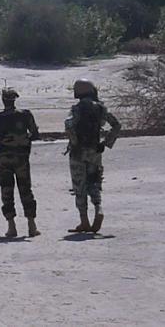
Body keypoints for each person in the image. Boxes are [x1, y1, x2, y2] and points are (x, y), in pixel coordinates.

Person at [65, 79, 121, 233]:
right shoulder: (100, 108)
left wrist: (74, 143)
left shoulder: (76, 109)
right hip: (95, 151)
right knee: (94, 182)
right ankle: (98, 208)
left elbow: (68, 125)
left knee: (79, 186)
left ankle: (84, 222)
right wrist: (106, 143)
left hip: (78, 153)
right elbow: (116, 125)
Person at [0, 88, 41, 238]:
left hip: (5, 159)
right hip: (22, 158)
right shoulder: (25, 115)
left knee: (7, 191)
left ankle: (11, 226)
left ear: (3, 100)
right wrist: (23, 139)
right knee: (26, 189)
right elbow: (35, 134)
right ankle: (31, 225)